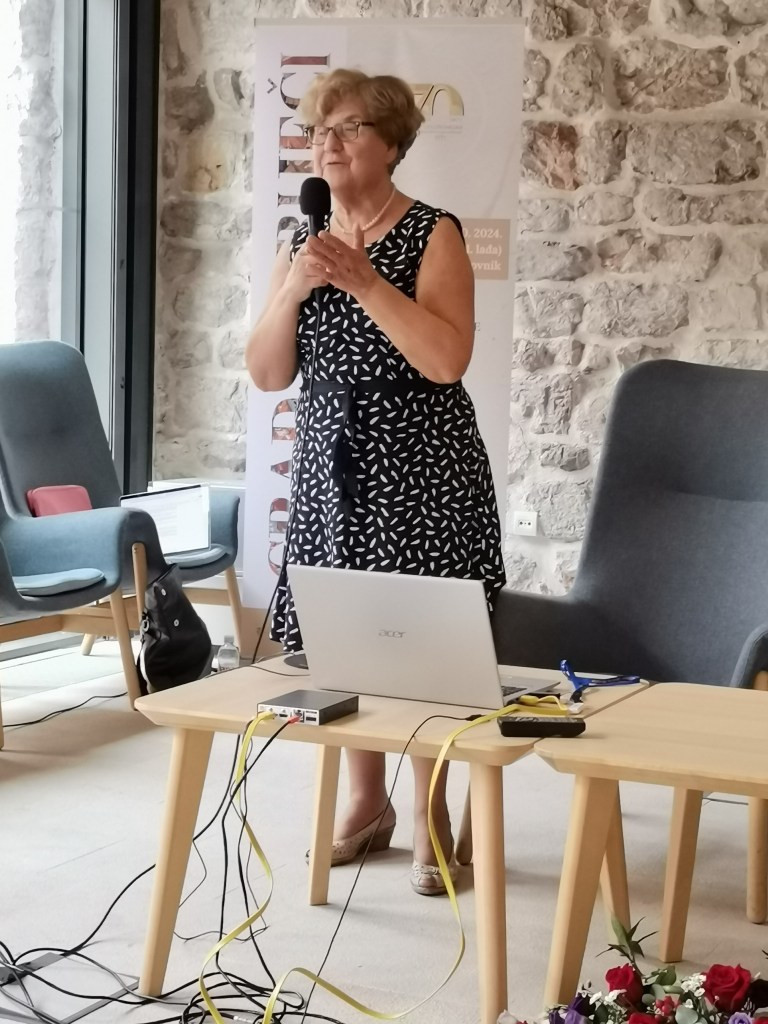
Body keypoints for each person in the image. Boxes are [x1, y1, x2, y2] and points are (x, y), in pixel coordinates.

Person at [246, 68, 506, 896]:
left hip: (420, 466)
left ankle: (431, 812)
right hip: (331, 469)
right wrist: (295, 287)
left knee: (426, 650)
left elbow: (446, 359)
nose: (328, 142)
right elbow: (266, 372)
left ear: (391, 144)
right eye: (319, 129)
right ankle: (367, 803)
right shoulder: (300, 242)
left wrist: (365, 281)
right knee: (343, 639)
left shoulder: (433, 233)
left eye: (349, 127)